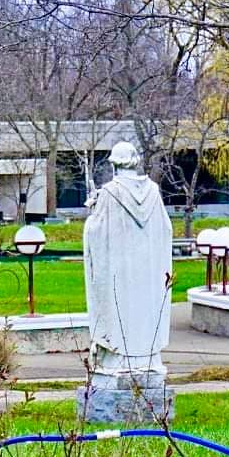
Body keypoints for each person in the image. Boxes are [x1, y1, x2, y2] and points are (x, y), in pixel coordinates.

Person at [83, 141, 173, 375]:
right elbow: (165, 229)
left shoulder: (111, 192)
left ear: (115, 165)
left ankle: (119, 359)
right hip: (148, 272)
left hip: (121, 273)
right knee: (145, 311)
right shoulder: (153, 191)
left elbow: (96, 232)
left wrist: (92, 211)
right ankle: (148, 357)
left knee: (121, 313)